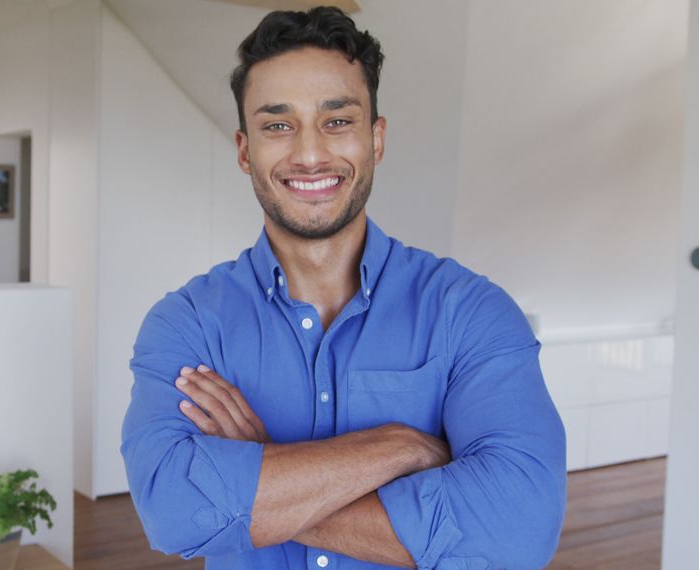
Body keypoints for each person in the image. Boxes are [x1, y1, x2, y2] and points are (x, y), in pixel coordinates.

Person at [119, 6, 567, 570]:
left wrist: (261, 467)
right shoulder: (186, 323)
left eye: (337, 120)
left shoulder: (471, 312)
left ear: (375, 139)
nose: (309, 153)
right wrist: (402, 447)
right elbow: (172, 512)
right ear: (244, 149)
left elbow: (518, 531)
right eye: (277, 125)